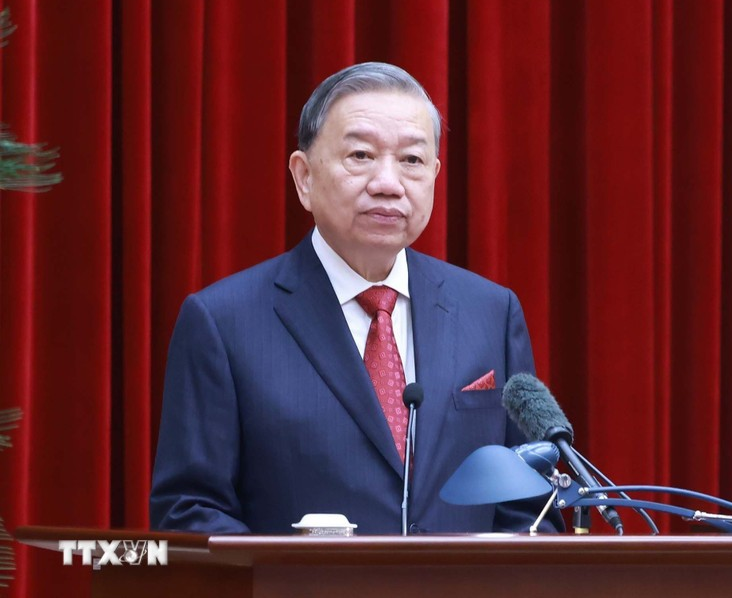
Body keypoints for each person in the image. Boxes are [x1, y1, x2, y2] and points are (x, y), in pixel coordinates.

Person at [150, 62, 563, 535]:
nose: (388, 183)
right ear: (304, 177)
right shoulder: (224, 323)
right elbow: (190, 511)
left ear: (434, 174)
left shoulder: (490, 312)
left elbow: (530, 511)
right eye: (361, 155)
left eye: (411, 160)